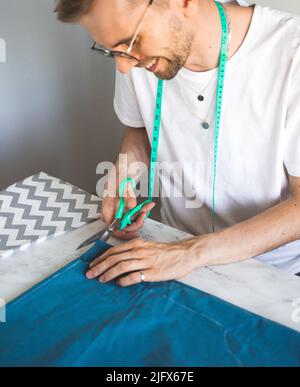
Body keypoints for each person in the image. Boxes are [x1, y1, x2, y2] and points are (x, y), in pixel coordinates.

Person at [55, 0, 300, 286]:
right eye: (112, 52)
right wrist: (125, 173)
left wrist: (191, 253)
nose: (124, 67)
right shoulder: (137, 58)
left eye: (131, 42)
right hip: (171, 250)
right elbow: (139, 130)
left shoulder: (291, 54)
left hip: (274, 276)